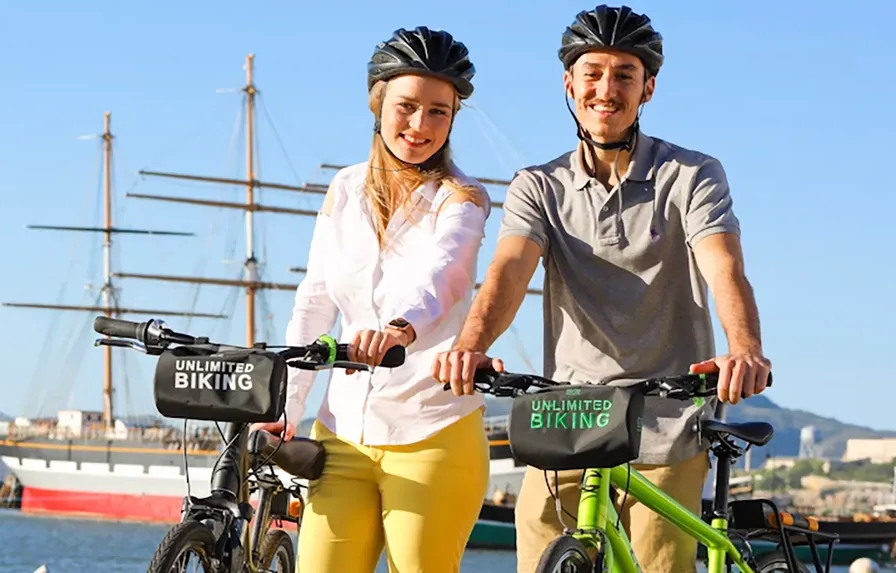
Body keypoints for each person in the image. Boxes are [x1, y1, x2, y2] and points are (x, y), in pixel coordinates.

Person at [432, 5, 772, 573]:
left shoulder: (690, 175)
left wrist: (744, 349)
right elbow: (510, 271)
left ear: (648, 89)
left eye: (623, 76)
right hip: (566, 419)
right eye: (592, 73)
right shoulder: (538, 185)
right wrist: (469, 344)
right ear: (570, 83)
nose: (605, 90)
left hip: (667, 418)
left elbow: (724, 268)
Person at [251, 26, 493, 573]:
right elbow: (314, 302)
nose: (420, 125)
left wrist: (398, 328)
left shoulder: (462, 197)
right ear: (378, 103)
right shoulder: (345, 188)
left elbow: (444, 274)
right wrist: (283, 409)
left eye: (439, 112)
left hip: (433, 431)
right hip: (341, 435)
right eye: (407, 106)